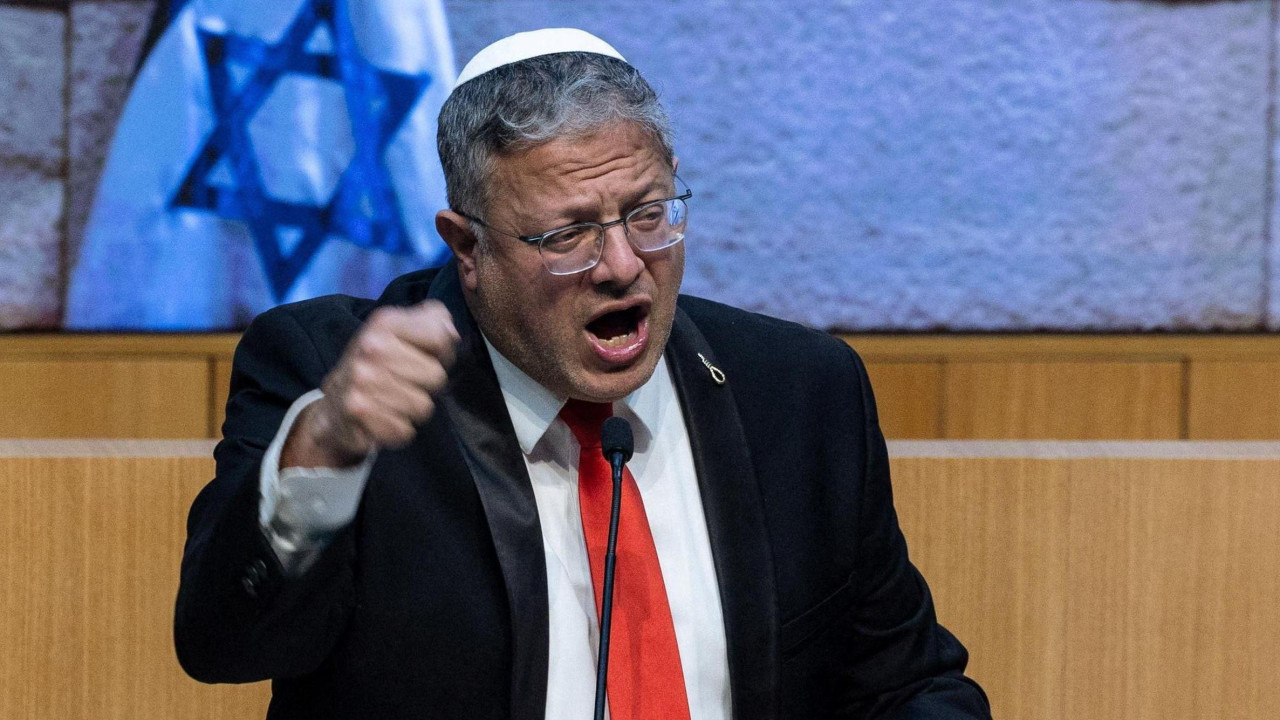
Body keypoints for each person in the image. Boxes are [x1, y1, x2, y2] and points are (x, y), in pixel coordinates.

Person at [174, 28, 990, 720]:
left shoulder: (799, 392)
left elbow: (905, 683)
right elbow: (224, 644)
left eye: (648, 213)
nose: (623, 266)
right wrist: (324, 447)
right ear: (468, 249)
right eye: (567, 235)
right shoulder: (340, 378)